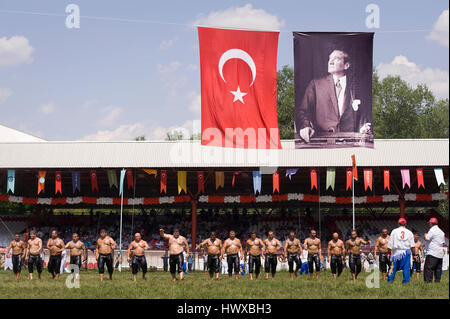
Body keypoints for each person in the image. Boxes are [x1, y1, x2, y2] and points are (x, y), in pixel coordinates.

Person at [296, 49, 372, 143]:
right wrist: (305, 126)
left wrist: (365, 126)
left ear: (346, 65)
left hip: (351, 143)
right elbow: (303, 111)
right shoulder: (316, 85)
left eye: (336, 58)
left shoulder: (357, 87)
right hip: (322, 143)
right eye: (330, 58)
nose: (330, 62)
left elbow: (365, 115)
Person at [387, 218, 415, 284]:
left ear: (398, 223)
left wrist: (388, 253)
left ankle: (390, 281)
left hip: (397, 251)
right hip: (406, 251)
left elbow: (390, 244)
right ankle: (406, 282)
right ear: (405, 224)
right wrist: (414, 255)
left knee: (393, 267)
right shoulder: (409, 232)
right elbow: (412, 246)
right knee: (406, 268)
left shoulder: (394, 231)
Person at [423, 217, 445, 283]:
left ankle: (428, 282)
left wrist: (425, 235)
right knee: (438, 269)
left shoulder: (432, 230)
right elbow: (443, 242)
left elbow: (427, 238)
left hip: (432, 252)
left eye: (429, 223)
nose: (429, 224)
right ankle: (437, 282)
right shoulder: (441, 231)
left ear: (431, 223)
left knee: (428, 268)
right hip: (440, 253)